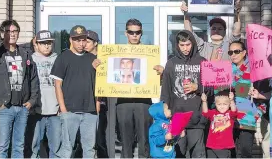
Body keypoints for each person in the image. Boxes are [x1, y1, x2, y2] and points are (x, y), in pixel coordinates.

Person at [0, 20, 39, 158]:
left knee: (19, 145)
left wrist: (32, 101)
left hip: (22, 107)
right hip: (5, 107)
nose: (12, 34)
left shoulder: (25, 54)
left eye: (15, 31)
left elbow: (33, 78)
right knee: (3, 145)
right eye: (9, 31)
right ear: (3, 33)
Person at [50, 25, 97, 158]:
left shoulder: (92, 59)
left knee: (89, 149)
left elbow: (100, 86)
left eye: (83, 40)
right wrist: (63, 109)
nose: (81, 43)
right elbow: (57, 85)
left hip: (90, 112)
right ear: (71, 40)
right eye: (77, 40)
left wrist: (97, 109)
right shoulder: (63, 57)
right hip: (70, 111)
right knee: (67, 149)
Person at [160, 30, 207, 158]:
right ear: (177, 45)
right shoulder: (171, 63)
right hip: (177, 118)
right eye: (182, 45)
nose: (185, 48)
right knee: (178, 153)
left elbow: (210, 89)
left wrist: (197, 87)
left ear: (193, 44)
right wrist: (164, 113)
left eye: (188, 44)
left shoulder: (203, 62)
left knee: (198, 154)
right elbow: (165, 91)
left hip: (197, 118)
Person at [115, 19, 154, 158]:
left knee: (144, 140)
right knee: (125, 141)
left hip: (143, 101)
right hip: (123, 101)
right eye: (131, 32)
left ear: (141, 33)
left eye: (137, 32)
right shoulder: (117, 52)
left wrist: (161, 71)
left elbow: (155, 77)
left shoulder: (150, 53)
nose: (134, 35)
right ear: (126, 33)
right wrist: (99, 65)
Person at [226, 41, 260, 157]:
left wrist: (258, 112)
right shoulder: (225, 70)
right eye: (230, 52)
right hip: (229, 117)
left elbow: (262, 93)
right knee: (231, 153)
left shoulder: (254, 68)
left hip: (247, 117)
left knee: (246, 153)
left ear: (244, 52)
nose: (233, 55)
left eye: (237, 51)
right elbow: (218, 92)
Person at [29, 30, 61, 158]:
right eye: (43, 43)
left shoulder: (58, 59)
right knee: (34, 146)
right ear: (36, 44)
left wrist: (61, 106)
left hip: (55, 110)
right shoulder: (30, 59)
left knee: (56, 146)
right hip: (36, 111)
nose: (46, 46)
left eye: (49, 43)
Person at [85, 30, 109, 158]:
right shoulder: (82, 58)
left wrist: (99, 101)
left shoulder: (103, 59)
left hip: (101, 105)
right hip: (84, 105)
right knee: (82, 142)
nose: (84, 44)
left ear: (95, 43)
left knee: (100, 140)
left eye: (88, 41)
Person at [201, 91, 237, 158]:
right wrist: (204, 101)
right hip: (212, 145)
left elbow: (234, 111)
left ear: (229, 105)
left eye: (225, 104)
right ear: (215, 104)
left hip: (225, 146)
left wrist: (231, 100)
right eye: (219, 104)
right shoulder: (213, 113)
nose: (222, 106)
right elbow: (205, 112)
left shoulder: (230, 114)